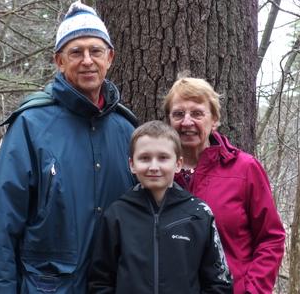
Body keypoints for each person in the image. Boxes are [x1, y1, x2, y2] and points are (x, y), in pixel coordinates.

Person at [0, 1, 136, 293]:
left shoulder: (126, 130)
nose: (87, 60)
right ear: (59, 61)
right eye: (76, 52)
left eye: (96, 51)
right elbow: (2, 227)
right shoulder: (31, 124)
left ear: (110, 57)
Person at [163, 77, 285, 294]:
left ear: (215, 119)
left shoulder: (245, 169)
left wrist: (252, 290)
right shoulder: (158, 174)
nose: (187, 122)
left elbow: (271, 238)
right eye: (178, 114)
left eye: (197, 113)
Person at [88, 120, 232, 294]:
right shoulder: (117, 214)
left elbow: (219, 282)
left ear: (178, 163)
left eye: (163, 158)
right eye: (144, 158)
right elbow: (100, 281)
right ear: (132, 164)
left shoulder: (198, 214)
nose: (154, 166)